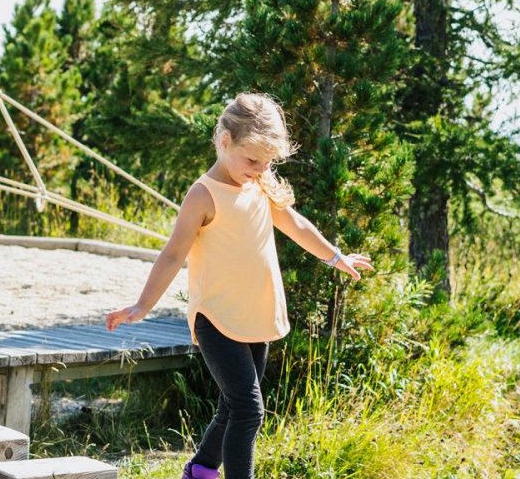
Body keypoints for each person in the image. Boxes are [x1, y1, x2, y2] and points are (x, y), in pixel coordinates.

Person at [105, 93, 374, 479]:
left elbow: (295, 225)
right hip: (215, 316)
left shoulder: (260, 185)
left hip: (255, 312)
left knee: (232, 408)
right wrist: (141, 306)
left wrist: (336, 256)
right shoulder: (203, 195)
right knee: (250, 410)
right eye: (252, 160)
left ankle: (198, 471)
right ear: (225, 140)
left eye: (267, 162)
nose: (260, 168)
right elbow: (172, 254)